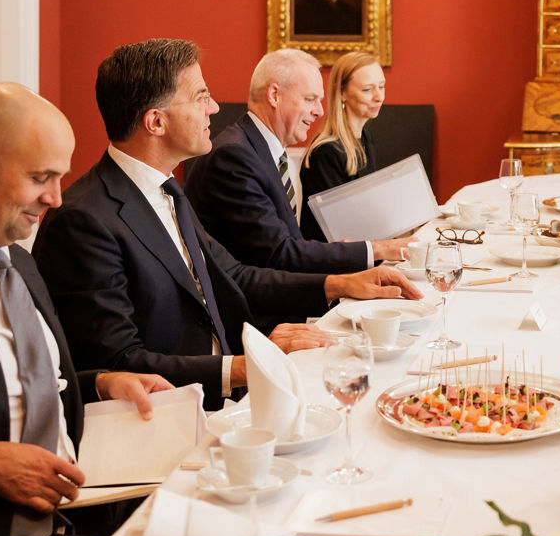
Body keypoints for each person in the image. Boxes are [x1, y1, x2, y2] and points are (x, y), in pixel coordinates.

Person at [32, 39, 420, 405]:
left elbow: (234, 275)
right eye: (201, 97)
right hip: (176, 416)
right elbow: (120, 363)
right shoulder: (83, 221)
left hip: (229, 385)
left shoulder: (167, 188)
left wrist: (342, 283)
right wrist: (249, 365)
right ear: (156, 122)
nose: (214, 108)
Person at [0, 83, 171, 536]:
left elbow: (18, 376)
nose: (56, 198)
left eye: (60, 177)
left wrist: (100, 382)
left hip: (71, 521)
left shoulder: (17, 262)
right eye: (40, 177)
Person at [184, 49, 408, 272]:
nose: (320, 111)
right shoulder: (235, 157)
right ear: (274, 96)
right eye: (310, 99)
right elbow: (279, 254)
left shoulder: (262, 151)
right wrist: (377, 250)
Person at [298, 52, 384, 242]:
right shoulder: (326, 152)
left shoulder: (365, 137)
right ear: (342, 93)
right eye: (368, 89)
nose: (379, 97)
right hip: (331, 263)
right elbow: (337, 233)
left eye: (382, 86)